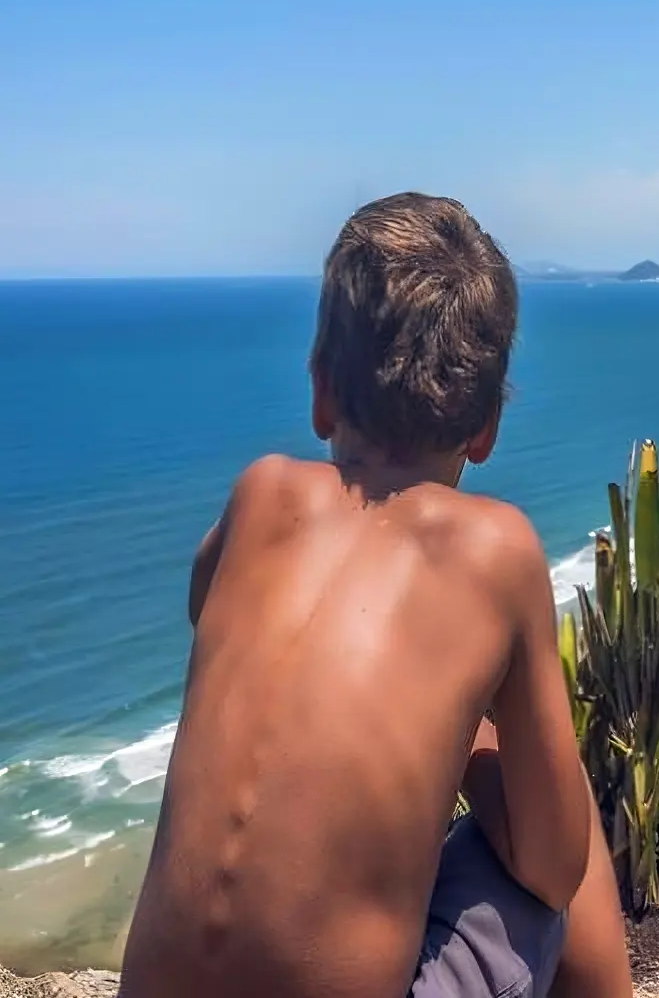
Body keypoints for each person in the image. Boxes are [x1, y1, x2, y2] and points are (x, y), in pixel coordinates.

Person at [120, 193, 632, 998]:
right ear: (486, 427)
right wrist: (462, 742)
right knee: (576, 841)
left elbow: (204, 609)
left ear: (321, 389)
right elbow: (551, 866)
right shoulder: (497, 549)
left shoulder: (259, 495)